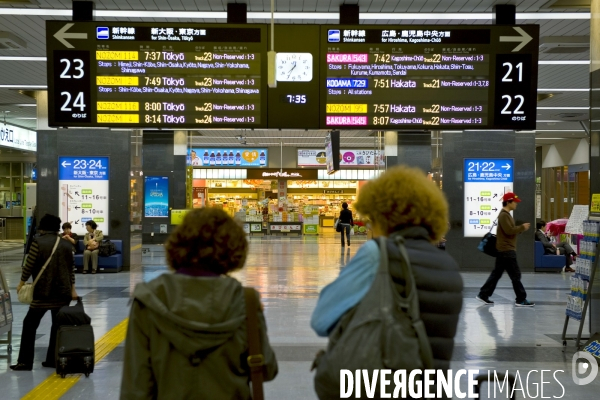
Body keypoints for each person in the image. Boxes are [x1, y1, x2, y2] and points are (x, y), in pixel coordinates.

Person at [311, 166, 463, 371]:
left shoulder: (378, 253)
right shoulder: (449, 264)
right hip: (432, 384)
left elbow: (321, 320)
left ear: (383, 215)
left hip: (384, 381)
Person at [120, 208, 278, 400]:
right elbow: (267, 368)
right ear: (233, 248)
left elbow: (135, 387)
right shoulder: (245, 301)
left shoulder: (148, 300)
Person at [11, 214, 78, 371]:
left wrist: (21, 283)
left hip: (43, 292)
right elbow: (71, 271)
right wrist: (73, 289)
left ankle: (25, 362)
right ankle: (53, 359)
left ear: (42, 227)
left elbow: (29, 265)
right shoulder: (67, 245)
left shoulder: (38, 242)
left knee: (29, 325)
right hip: (63, 293)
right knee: (57, 326)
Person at [477, 192, 534, 307]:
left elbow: (510, 230)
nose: (516, 205)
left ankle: (483, 294)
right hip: (506, 250)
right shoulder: (504, 215)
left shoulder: (506, 215)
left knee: (497, 274)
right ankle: (521, 299)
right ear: (508, 202)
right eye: (515, 202)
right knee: (515, 275)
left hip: (504, 249)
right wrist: (522, 227)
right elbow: (509, 230)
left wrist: (520, 229)